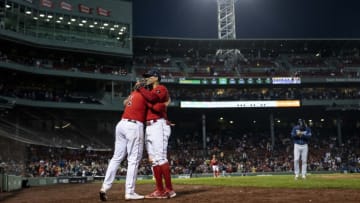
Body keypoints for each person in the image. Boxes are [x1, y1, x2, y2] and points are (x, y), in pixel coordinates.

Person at [99, 82, 148, 201]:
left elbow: (124, 102)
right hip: (133, 126)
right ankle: (129, 192)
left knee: (116, 158)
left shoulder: (133, 93)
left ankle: (104, 188)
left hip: (121, 124)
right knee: (133, 160)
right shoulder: (144, 94)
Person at [136, 69, 176, 199]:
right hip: (149, 126)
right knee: (153, 160)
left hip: (159, 125)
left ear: (156, 77)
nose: (146, 78)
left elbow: (153, 100)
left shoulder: (161, 88)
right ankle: (160, 190)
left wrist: (141, 89)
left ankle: (169, 189)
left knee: (161, 158)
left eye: (149, 76)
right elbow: (153, 104)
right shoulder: (149, 91)